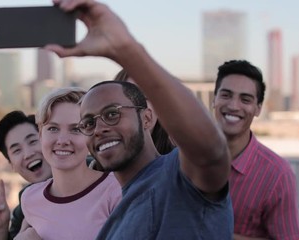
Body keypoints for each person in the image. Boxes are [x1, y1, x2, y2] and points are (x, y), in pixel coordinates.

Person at [45, 0, 233, 239]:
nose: (100, 128)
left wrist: (124, 49)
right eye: (88, 123)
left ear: (146, 117)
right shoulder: (113, 224)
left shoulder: (178, 174)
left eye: (112, 114)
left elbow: (211, 152)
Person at [212, 60, 299, 239]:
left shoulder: (277, 175)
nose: (234, 106)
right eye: (226, 95)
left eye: (245, 99)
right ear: (214, 99)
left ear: (258, 108)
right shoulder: (184, 157)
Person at [19, 87, 122, 239]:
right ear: (40, 134)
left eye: (75, 129)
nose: (62, 141)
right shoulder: (30, 198)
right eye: (53, 128)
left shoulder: (116, 191)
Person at [0, 111, 53, 240]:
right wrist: (1, 229)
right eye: (17, 150)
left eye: (33, 141)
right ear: (11, 164)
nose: (28, 154)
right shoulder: (23, 210)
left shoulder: (91, 171)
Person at [114, 69, 175, 155]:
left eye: (145, 95)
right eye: (129, 97)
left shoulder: (181, 162)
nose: (138, 104)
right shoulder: (96, 166)